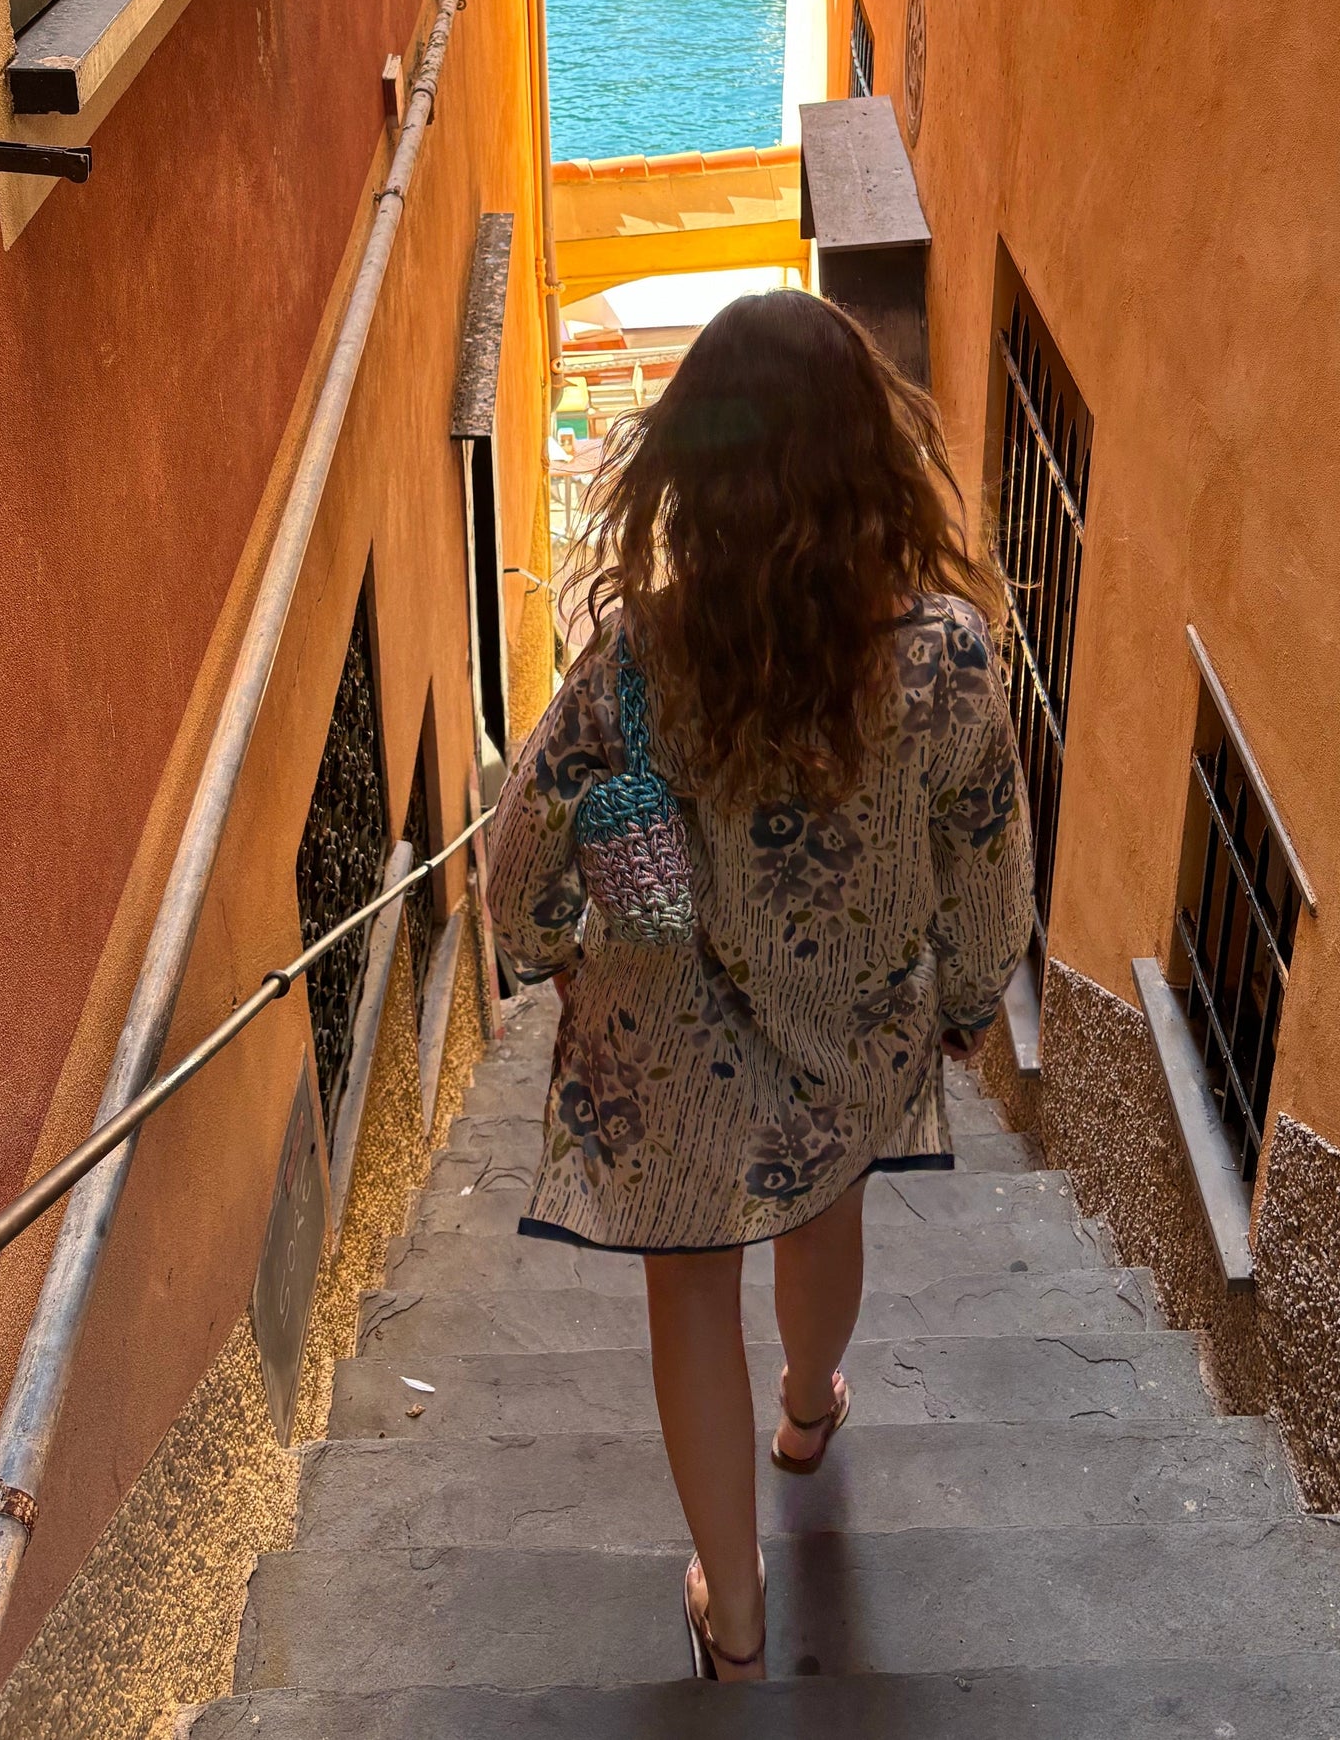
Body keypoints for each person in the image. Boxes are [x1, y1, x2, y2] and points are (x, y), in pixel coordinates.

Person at [489, 290, 1034, 1681]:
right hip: (849, 1024)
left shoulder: (634, 659)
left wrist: (548, 947)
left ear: (691, 471)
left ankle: (732, 1619)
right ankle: (805, 1410)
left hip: (666, 1035)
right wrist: (969, 999)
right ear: (872, 457)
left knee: (687, 1293)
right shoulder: (948, 660)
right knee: (820, 1209)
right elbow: (982, 855)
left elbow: (525, 843)